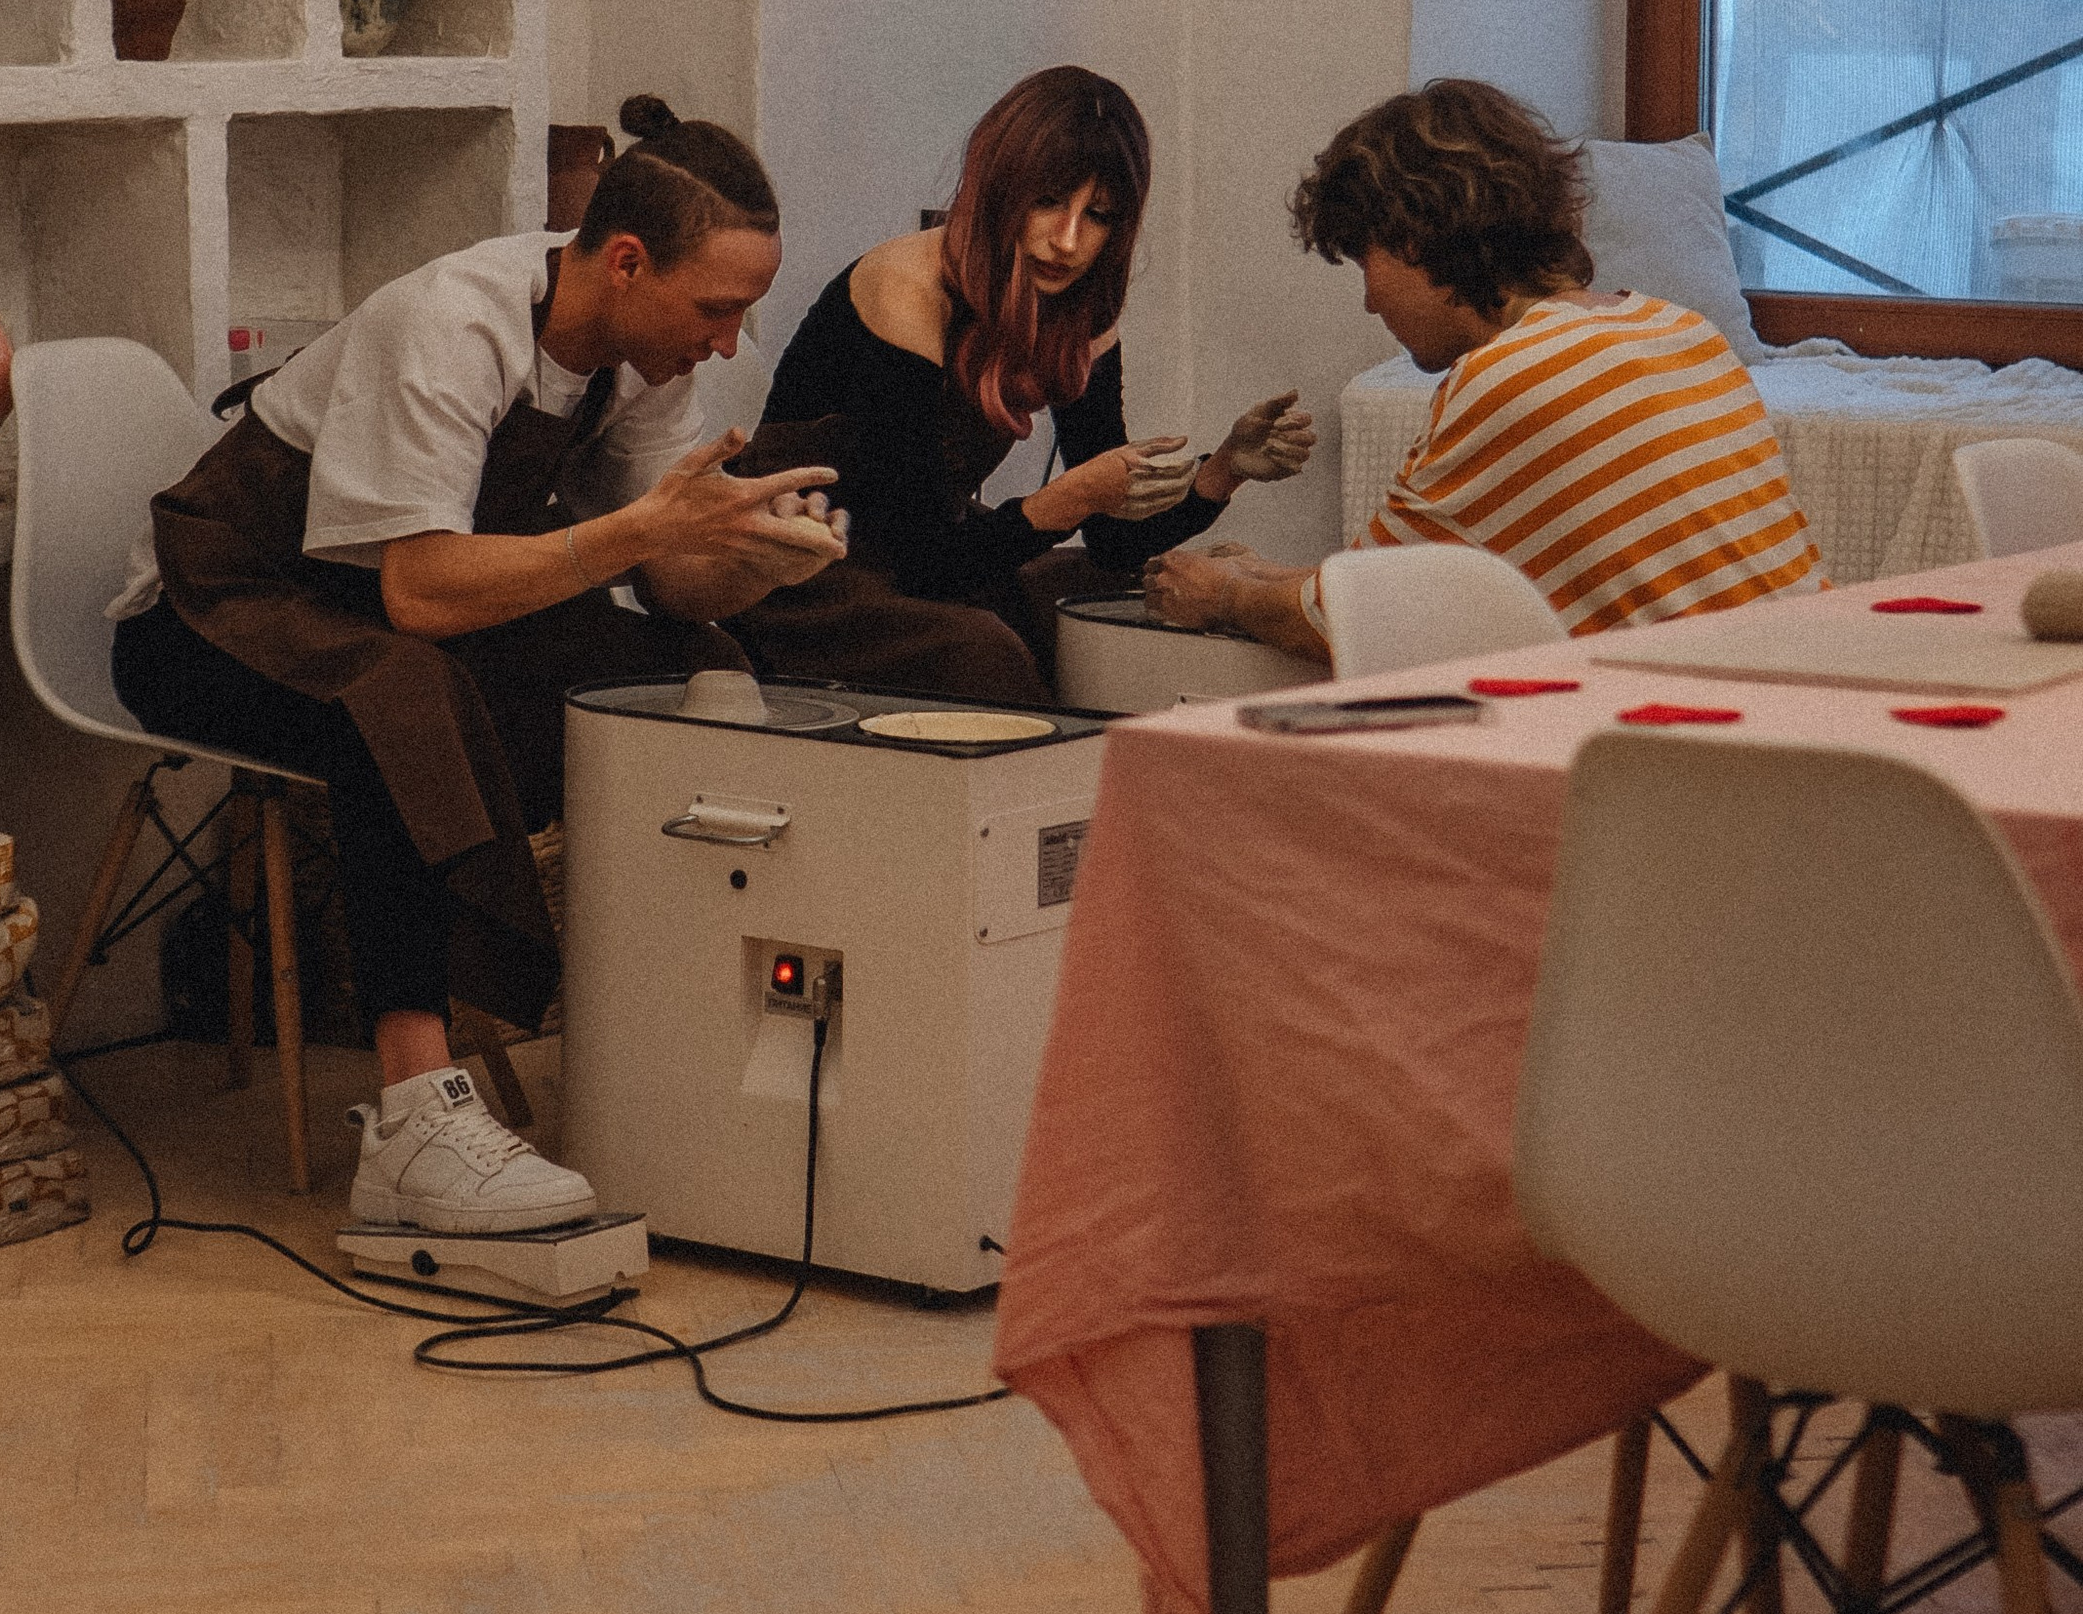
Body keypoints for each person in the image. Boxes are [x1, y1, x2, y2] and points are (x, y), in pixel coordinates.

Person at [109, 101, 845, 1232]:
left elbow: (662, 583)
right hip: (213, 614)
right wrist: (648, 531)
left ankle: (667, 1035)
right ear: (629, 261)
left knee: (686, 668)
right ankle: (412, 1120)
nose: (728, 343)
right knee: (398, 699)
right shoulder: (454, 323)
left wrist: (753, 567)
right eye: (719, 310)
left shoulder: (643, 354)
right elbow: (420, 590)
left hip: (386, 603)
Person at [1147, 77, 1821, 660]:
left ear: (1413, 239)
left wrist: (1226, 595)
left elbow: (1356, 623)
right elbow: (1402, 586)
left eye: (1366, 263)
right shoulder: (1677, 330)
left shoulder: (1515, 378)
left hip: (1707, 750)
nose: (1368, 299)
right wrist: (1271, 574)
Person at [738, 64, 1314, 704]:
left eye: (1096, 215)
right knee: (981, 652)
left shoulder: (1080, 314)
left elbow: (1113, 539)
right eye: (1047, 201)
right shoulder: (906, 293)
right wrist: (1067, 499)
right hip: (810, 564)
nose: (1067, 241)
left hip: (928, 550)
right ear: (998, 190)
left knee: (1115, 595)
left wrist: (1224, 470)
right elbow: (928, 563)